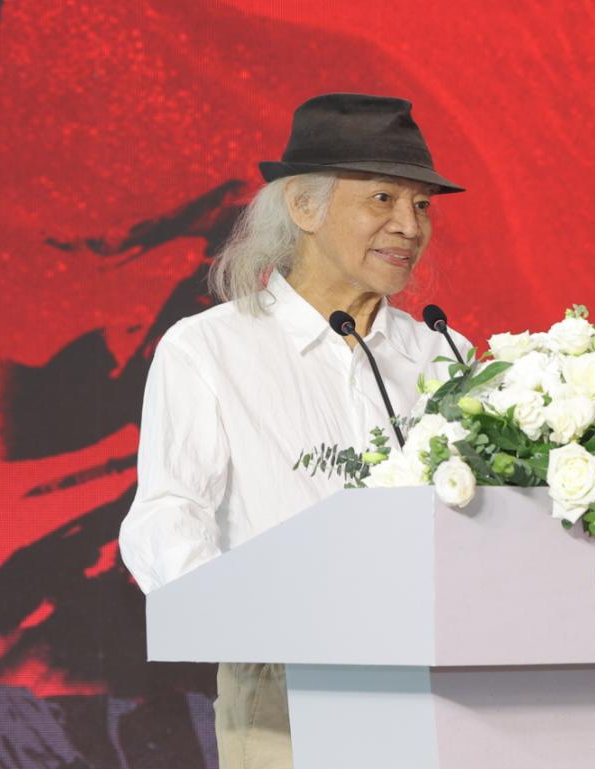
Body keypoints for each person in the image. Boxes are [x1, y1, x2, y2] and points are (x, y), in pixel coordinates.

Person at [117, 93, 467, 768]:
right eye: (383, 199)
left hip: (437, 680)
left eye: (422, 205)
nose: (409, 226)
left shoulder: (443, 355)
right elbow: (167, 514)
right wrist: (246, 621)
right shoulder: (210, 349)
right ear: (304, 207)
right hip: (284, 685)